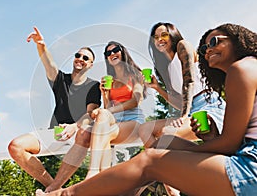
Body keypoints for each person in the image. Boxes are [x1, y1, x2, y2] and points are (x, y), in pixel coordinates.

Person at [35, 23, 257, 196]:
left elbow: (229, 142)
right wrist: (155, 88)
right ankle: (122, 184)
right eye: (205, 47)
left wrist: (183, 121)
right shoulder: (157, 71)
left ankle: (73, 190)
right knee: (150, 143)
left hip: (244, 163)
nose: (207, 50)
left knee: (151, 157)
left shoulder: (238, 68)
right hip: (238, 152)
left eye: (215, 41)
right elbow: (177, 101)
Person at [8, 26, 101, 192]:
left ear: (91, 64)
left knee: (85, 131)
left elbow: (90, 114)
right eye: (77, 55)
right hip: (55, 133)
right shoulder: (61, 80)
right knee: (15, 146)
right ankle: (55, 188)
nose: (80, 59)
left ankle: (52, 190)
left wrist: (74, 126)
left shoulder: (93, 86)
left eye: (85, 57)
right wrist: (41, 45)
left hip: (77, 136)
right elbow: (48, 64)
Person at [139, 22, 226, 148]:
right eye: (156, 38)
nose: (160, 40)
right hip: (190, 109)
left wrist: (184, 116)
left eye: (164, 35)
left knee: (167, 134)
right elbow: (180, 103)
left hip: (208, 105)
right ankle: (160, 164)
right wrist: (157, 88)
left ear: (173, 35)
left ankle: (195, 159)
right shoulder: (167, 68)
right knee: (145, 129)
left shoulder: (183, 46)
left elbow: (189, 81)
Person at [85, 41, 145, 178]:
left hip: (133, 118)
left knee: (103, 131)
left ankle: (94, 173)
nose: (112, 54)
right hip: (115, 120)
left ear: (122, 51)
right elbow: (107, 108)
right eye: (108, 53)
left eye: (115, 50)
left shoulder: (136, 74)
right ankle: (104, 178)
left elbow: (136, 100)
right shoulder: (110, 80)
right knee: (102, 120)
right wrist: (104, 94)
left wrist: (110, 111)